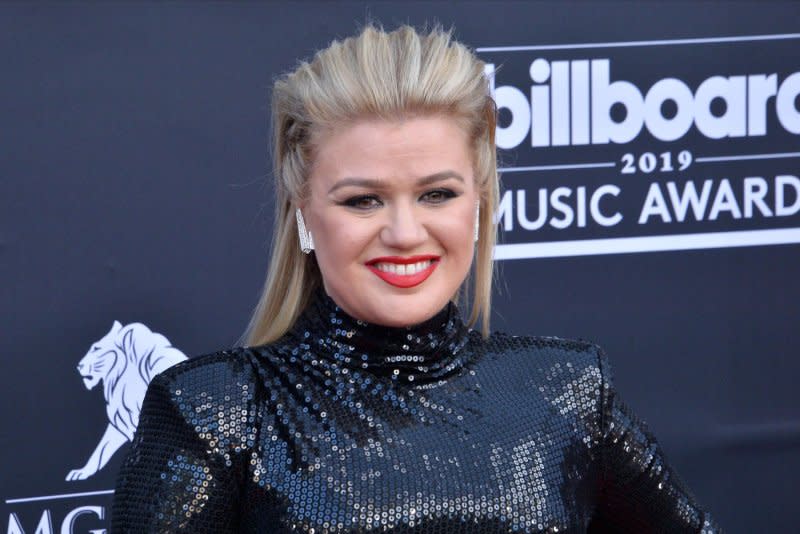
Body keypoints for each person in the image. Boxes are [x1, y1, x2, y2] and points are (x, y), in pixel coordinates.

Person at [110, 24, 719, 533]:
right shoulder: (219, 411)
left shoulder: (569, 391)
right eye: (363, 201)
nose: (405, 232)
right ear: (303, 212)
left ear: (478, 203)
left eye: (436, 194)